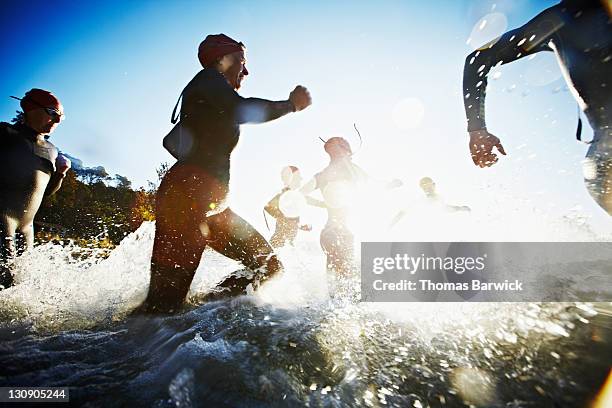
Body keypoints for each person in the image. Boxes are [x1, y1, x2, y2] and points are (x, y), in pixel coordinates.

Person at [139, 34, 312, 313]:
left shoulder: (210, 93)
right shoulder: (208, 79)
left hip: (214, 206)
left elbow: (170, 143)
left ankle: (203, 310)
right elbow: (241, 109)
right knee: (162, 308)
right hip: (187, 198)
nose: (246, 71)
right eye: (242, 62)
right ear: (222, 59)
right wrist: (290, 105)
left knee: (268, 266)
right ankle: (117, 346)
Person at [463, 0, 611, 215]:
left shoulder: (557, 19)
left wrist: (477, 129)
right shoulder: (560, 18)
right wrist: (476, 128)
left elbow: (477, 60)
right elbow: (478, 60)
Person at [0, 89, 71, 289]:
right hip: (2, 221)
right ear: (30, 108)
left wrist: (60, 174)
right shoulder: (5, 133)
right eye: (52, 112)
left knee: (18, 291)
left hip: (26, 229)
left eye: (61, 117)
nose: (56, 120)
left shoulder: (51, 150)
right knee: (4, 283)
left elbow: (45, 192)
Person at [302, 137, 368, 276]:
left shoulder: (325, 175)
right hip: (335, 233)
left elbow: (300, 194)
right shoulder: (346, 171)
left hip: (336, 232)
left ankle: (333, 296)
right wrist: (322, 204)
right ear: (345, 151)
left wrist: (323, 204)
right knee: (345, 278)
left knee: (342, 278)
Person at [390, 177, 470, 227]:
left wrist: (460, 208)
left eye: (428, 185)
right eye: (424, 186)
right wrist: (391, 224)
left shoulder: (438, 198)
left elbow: (446, 208)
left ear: (433, 185)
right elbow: (403, 212)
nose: (426, 188)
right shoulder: (419, 200)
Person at [264, 166, 312, 248]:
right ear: (291, 178)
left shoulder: (293, 195)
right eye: (298, 176)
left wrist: (299, 226)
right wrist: (282, 218)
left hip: (286, 241)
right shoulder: (286, 193)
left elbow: (291, 219)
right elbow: (268, 207)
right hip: (280, 241)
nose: (301, 178)